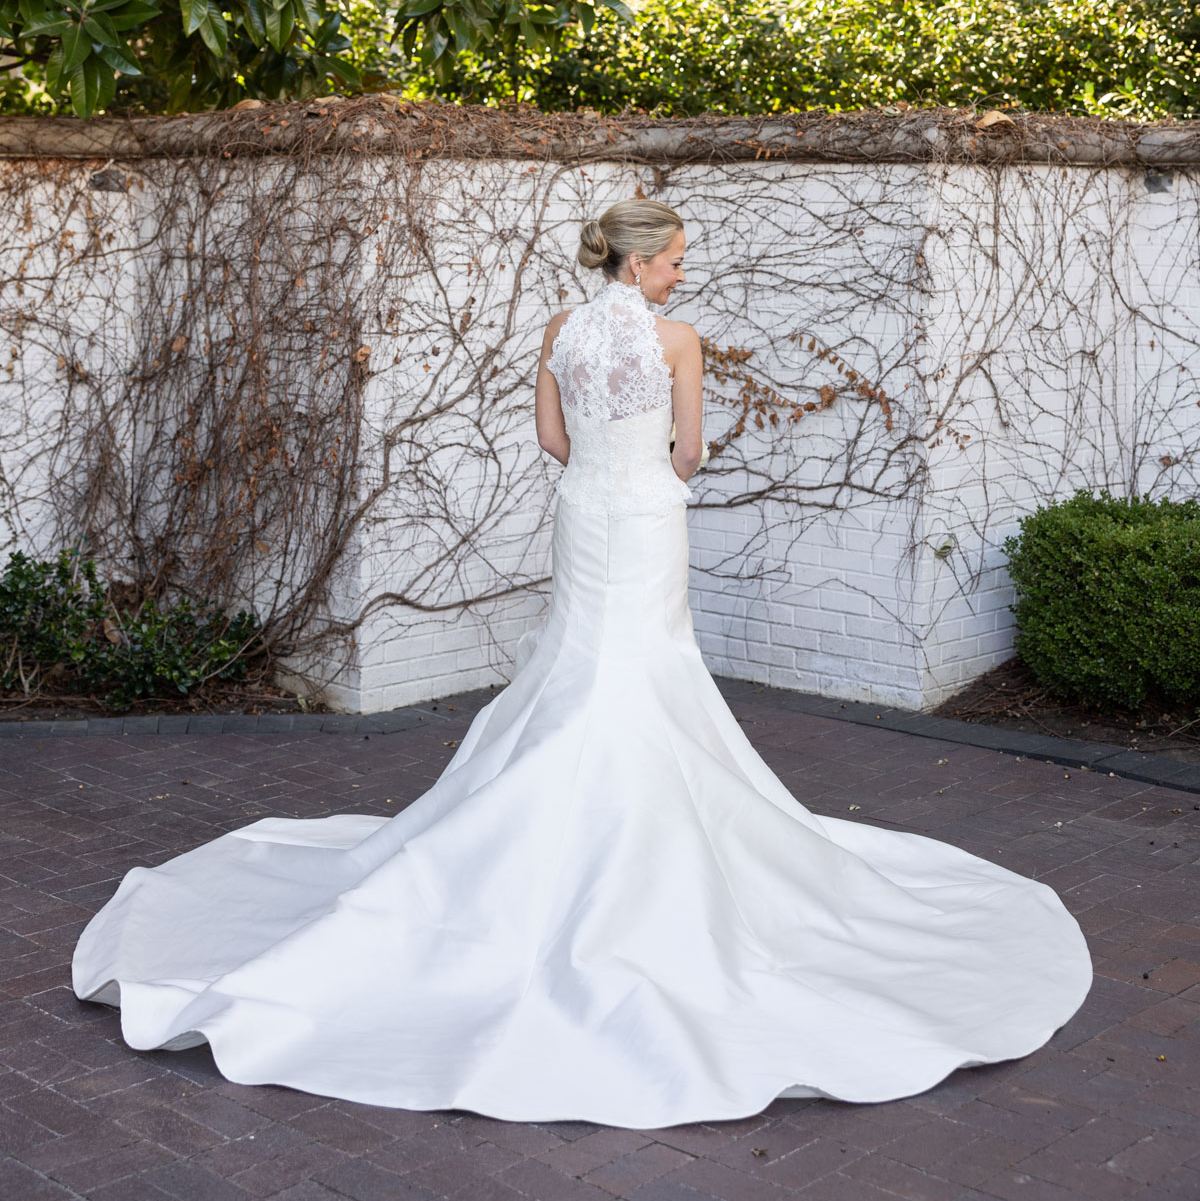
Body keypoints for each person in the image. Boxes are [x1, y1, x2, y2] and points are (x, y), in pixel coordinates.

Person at [72, 198, 1092, 1128]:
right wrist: (653, 473)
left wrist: (604, 472)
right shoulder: (678, 340)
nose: (684, 273)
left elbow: (550, 438)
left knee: (577, 659)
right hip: (646, 513)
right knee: (647, 660)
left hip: (584, 511)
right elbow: (689, 451)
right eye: (676, 260)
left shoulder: (560, 329)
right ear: (640, 264)